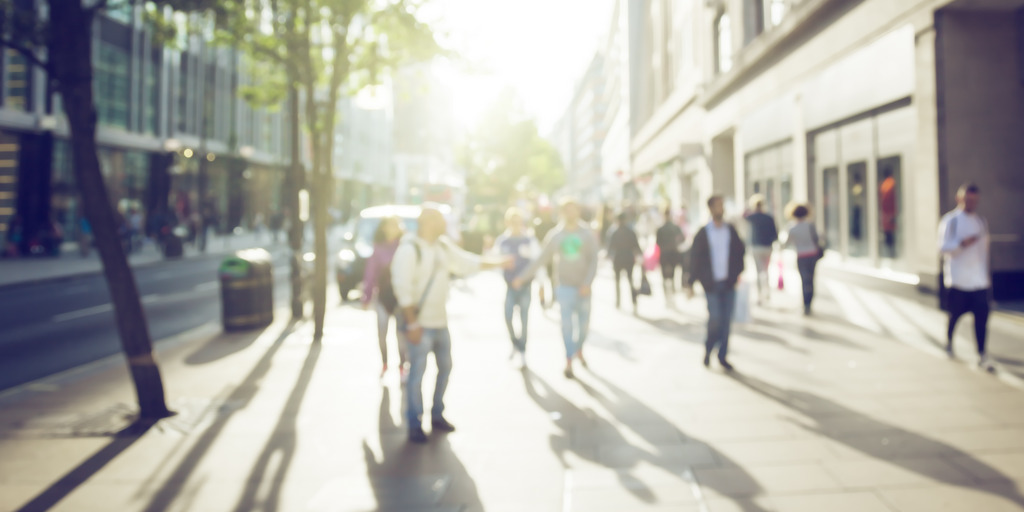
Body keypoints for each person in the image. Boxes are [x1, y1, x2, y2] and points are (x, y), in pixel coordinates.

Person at [391, 206, 511, 443]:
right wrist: (412, 324)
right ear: (427, 222)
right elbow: (402, 287)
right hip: (420, 325)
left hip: (439, 321)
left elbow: (467, 263)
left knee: (445, 367)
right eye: (439, 220)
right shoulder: (410, 249)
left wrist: (498, 263)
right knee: (417, 374)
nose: (445, 224)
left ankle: (437, 414)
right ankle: (414, 423)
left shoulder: (442, 246)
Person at [513, 198, 600, 379]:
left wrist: (587, 283)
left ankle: (578, 349)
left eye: (573, 209)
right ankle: (569, 359)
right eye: (566, 210)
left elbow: (594, 260)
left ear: (577, 211)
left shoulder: (586, 233)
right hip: (565, 288)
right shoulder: (556, 235)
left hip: (583, 288)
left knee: (583, 327)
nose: (570, 213)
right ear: (562, 213)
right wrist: (522, 277)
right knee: (567, 327)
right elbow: (541, 259)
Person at [686, 195, 745, 371]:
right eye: (718, 206)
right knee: (715, 319)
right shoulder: (703, 233)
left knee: (726, 321)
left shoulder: (731, 230)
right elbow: (695, 259)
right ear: (711, 208)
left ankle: (722, 355)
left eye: (722, 205)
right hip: (711, 284)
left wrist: (736, 275)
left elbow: (740, 253)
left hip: (728, 283)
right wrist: (691, 282)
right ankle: (709, 348)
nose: (721, 209)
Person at [938, 183, 991, 369]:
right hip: (958, 280)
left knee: (982, 320)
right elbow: (942, 248)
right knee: (955, 316)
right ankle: (949, 342)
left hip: (979, 281)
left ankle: (982, 354)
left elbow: (984, 253)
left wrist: (986, 279)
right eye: (968, 199)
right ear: (959, 199)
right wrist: (961, 244)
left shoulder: (981, 221)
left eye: (974, 200)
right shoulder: (950, 221)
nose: (971, 203)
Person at [493, 208, 541, 368]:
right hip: (510, 286)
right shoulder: (502, 241)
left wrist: (538, 283)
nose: (516, 225)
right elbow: (495, 261)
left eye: (518, 221)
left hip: (525, 286)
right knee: (507, 316)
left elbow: (536, 263)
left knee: (524, 319)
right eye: (513, 222)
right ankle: (515, 343)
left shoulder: (529, 240)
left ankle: (522, 350)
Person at [361, 216, 408, 379]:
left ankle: (402, 366)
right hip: (383, 297)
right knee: (382, 333)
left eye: (395, 225)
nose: (392, 228)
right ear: (384, 228)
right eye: (389, 225)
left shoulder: (405, 247)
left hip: (402, 298)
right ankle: (385, 363)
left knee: (401, 335)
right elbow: (370, 274)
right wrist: (366, 296)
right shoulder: (378, 248)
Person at [784, 204, 822, 316]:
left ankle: (805, 304)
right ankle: (809, 303)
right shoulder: (810, 225)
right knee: (811, 279)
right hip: (812, 254)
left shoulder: (792, 227)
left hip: (801, 256)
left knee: (804, 280)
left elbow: (787, 243)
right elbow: (817, 239)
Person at [744, 195, 779, 305]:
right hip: (767, 247)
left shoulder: (752, 217)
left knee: (758, 271)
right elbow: (775, 234)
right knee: (766, 270)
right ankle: (767, 293)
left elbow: (743, 214)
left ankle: (759, 295)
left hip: (756, 247)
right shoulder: (769, 217)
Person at [608, 212, 643, 313]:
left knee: (618, 282)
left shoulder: (614, 232)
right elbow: (636, 246)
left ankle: (618, 302)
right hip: (628, 259)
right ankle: (634, 301)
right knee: (630, 280)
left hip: (618, 260)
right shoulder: (630, 232)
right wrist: (640, 256)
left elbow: (610, 248)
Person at [656, 207, 686, 308]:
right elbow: (682, 239)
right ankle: (671, 298)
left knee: (665, 278)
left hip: (665, 256)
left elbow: (658, 243)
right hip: (673, 255)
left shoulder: (661, 229)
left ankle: (668, 298)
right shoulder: (675, 228)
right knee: (672, 277)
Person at [532, 209, 558, 309]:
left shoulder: (554, 224)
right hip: (541, 254)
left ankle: (554, 296)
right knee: (541, 278)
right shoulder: (538, 225)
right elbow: (535, 240)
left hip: (552, 255)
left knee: (553, 277)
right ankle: (542, 299)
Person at [880, 169, 897, 258]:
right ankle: (891, 254)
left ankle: (891, 253)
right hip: (890, 213)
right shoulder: (890, 183)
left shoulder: (885, 184)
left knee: (889, 234)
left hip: (887, 214)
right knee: (890, 235)